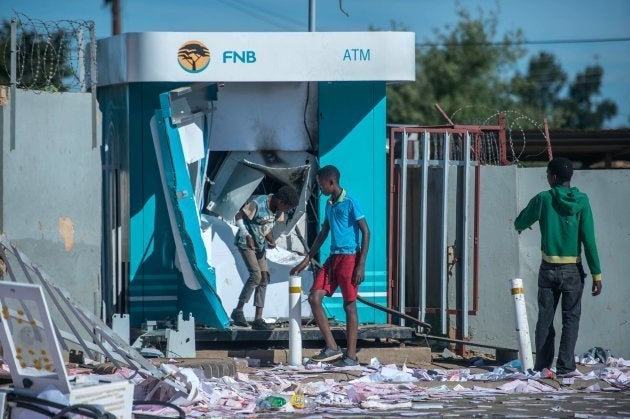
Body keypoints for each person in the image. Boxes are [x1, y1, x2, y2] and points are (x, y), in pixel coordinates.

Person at [514, 157, 602, 377]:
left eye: (547, 173)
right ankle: (565, 368)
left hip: (548, 270)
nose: (546, 177)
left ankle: (543, 367)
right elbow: (588, 240)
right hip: (573, 270)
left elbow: (520, 222)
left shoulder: (543, 199)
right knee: (571, 320)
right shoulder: (583, 201)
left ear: (553, 177)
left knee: (545, 320)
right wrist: (596, 273)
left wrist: (527, 225)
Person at [290, 165, 370, 366]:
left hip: (350, 259)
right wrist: (308, 257)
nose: (320, 188)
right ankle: (332, 347)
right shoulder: (329, 204)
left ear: (331, 182)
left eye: (321, 184)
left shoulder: (351, 202)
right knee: (314, 297)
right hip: (333, 259)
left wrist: (361, 264)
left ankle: (351, 356)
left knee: (349, 305)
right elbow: (324, 232)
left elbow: (366, 232)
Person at [231, 185, 300, 330]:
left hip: (260, 246)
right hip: (246, 243)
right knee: (255, 275)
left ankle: (258, 319)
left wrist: (271, 240)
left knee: (264, 277)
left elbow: (265, 227)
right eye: (286, 207)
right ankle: (238, 311)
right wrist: (247, 234)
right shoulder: (258, 203)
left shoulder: (278, 212)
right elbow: (238, 217)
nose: (285, 211)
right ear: (280, 201)